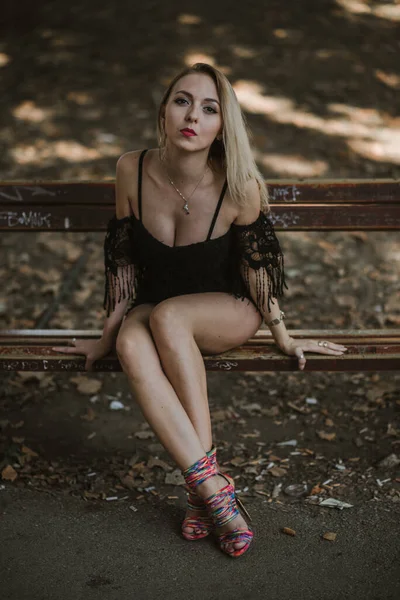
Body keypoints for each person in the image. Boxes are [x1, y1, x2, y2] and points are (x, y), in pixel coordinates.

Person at [53, 63, 348, 558]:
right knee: (131, 339)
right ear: (164, 112)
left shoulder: (239, 185)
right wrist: (106, 333)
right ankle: (209, 492)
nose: (193, 116)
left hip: (227, 307)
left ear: (221, 126)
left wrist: (282, 333)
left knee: (170, 318)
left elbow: (257, 271)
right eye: (182, 101)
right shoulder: (132, 169)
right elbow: (123, 261)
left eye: (209, 109)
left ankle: (205, 491)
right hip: (157, 304)